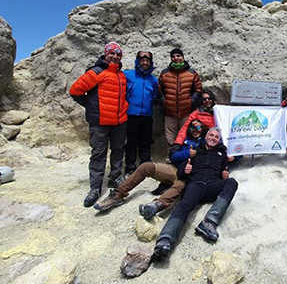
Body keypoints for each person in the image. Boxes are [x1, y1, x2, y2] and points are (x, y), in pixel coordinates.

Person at [151, 127, 238, 262]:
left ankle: (209, 222)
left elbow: (228, 167)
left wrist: (224, 176)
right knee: (184, 205)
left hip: (212, 185)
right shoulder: (195, 151)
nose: (213, 138)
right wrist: (185, 170)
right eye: (211, 135)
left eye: (216, 137)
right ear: (206, 136)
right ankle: (165, 239)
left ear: (219, 140)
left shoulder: (222, 155)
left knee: (232, 182)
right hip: (195, 184)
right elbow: (180, 174)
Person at [93, 119, 208, 219]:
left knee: (179, 186)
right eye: (193, 127)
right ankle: (118, 194)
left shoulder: (205, 143)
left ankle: (156, 205)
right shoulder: (185, 141)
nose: (196, 129)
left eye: (199, 127)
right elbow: (173, 156)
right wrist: (188, 153)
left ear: (203, 129)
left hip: (186, 176)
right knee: (145, 167)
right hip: (174, 169)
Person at [70, 42, 129, 207]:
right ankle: (95, 188)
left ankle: (115, 178)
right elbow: (75, 91)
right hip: (100, 122)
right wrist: (92, 107)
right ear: (106, 54)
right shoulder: (96, 71)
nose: (115, 57)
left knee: (118, 149)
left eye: (118, 54)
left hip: (119, 121)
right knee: (98, 154)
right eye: (112, 54)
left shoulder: (121, 75)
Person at [158, 48, 202, 146]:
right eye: (173, 56)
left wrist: (191, 101)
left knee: (186, 133)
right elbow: (159, 90)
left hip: (186, 110)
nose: (176, 58)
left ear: (183, 57)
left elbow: (198, 89)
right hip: (169, 111)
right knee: (170, 136)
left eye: (178, 56)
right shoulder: (165, 73)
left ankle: (185, 155)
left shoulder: (191, 73)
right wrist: (164, 102)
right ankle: (171, 154)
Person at [123, 51, 158, 176]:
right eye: (142, 60)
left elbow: (154, 95)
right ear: (137, 61)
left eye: (147, 61)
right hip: (131, 114)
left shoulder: (153, 80)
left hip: (147, 115)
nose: (145, 63)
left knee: (146, 141)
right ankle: (130, 167)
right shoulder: (128, 75)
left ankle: (145, 165)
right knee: (131, 142)